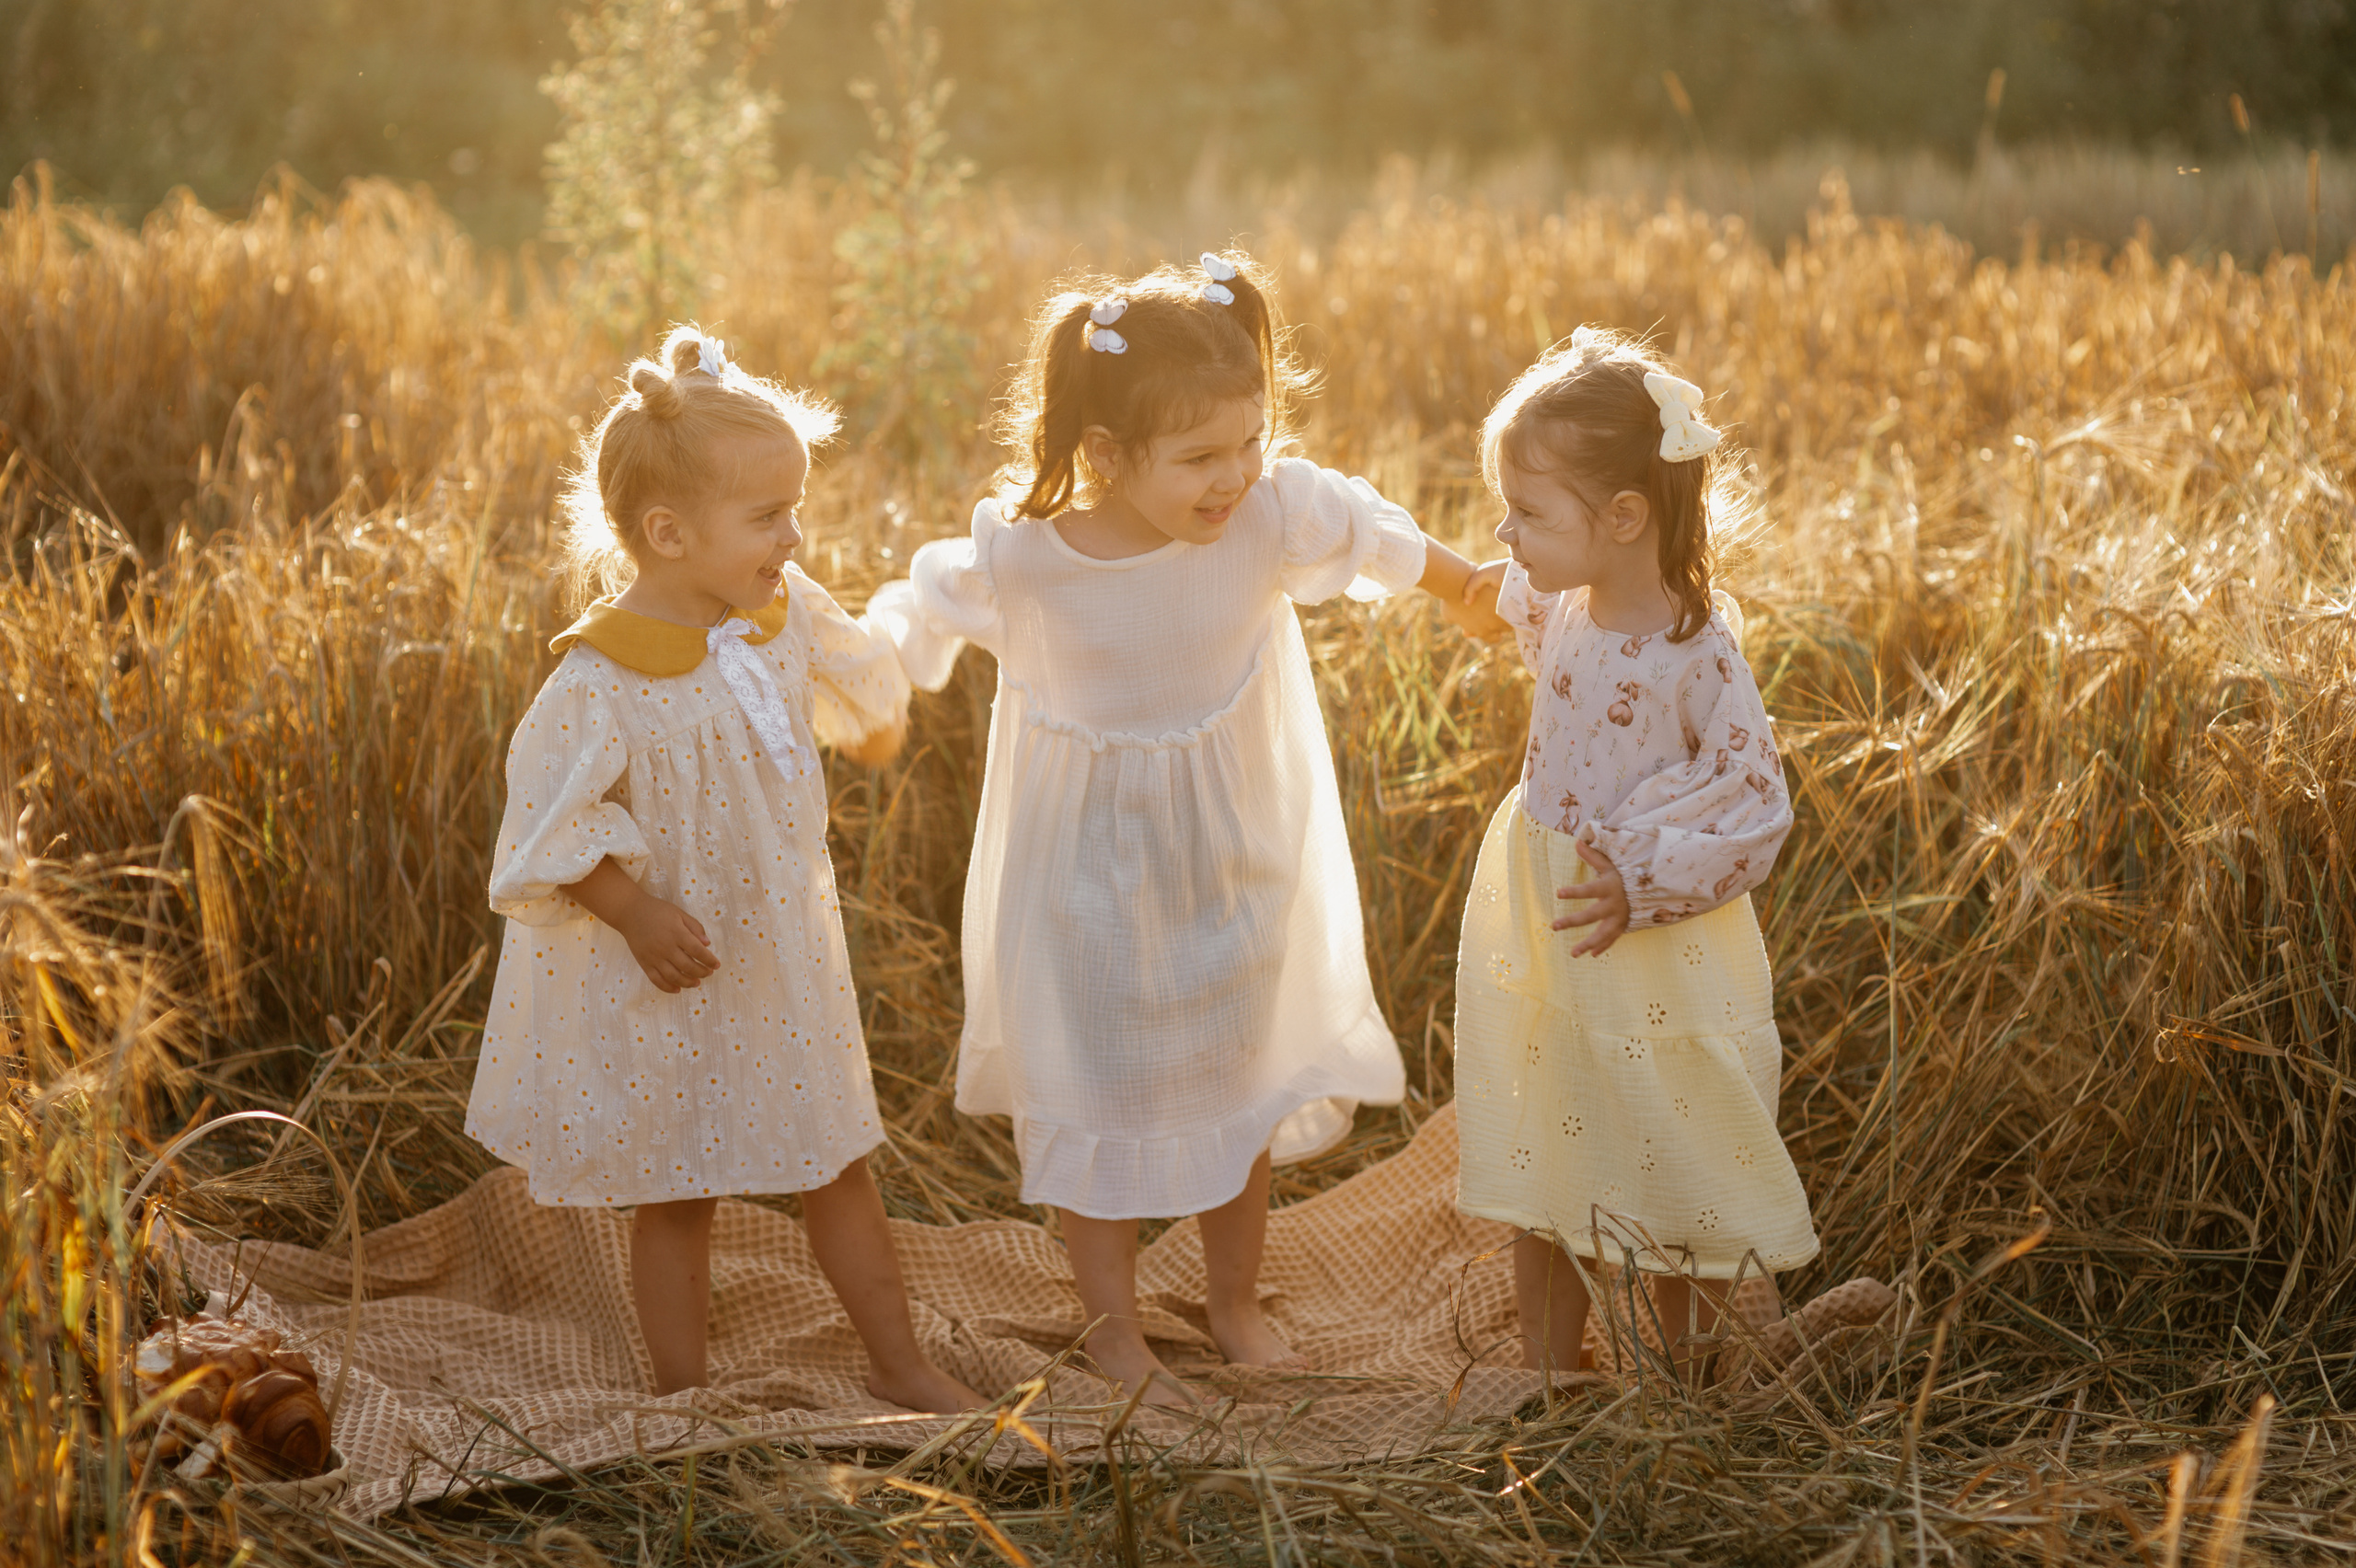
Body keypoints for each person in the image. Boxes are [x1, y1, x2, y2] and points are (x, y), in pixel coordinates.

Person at [871, 252, 1507, 1407]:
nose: (1235, 477)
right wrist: (851, 687)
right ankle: (1112, 1329)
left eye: (1250, 443)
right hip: (1081, 878)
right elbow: (910, 617)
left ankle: (1230, 1303)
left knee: (1235, 1083)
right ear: (1108, 456)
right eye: (1201, 458)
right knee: (1098, 1089)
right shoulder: (1027, 559)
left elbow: (1371, 535)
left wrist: (1466, 589)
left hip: (1233, 863)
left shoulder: (1269, 517)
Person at [465, 326, 979, 1411]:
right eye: (766, 518)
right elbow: (548, 829)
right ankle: (687, 1393)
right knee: (680, 1190)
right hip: (676, 971)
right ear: (667, 531)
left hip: (782, 958)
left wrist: (874, 725)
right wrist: (632, 909)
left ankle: (901, 1364)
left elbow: (861, 694)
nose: (793, 536)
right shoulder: (600, 680)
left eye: (795, 509)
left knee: (838, 1160)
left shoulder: (778, 618)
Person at [1454, 327, 1819, 1383]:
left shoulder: (1697, 655)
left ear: (1622, 518)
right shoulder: (1565, 598)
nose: (1505, 530)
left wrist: (1644, 873)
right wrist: (1498, 568)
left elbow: (1753, 802)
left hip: (1653, 944)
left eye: (1528, 513)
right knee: (1547, 1136)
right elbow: (1524, 608)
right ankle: (1548, 1366)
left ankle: (1696, 1371)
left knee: (1670, 1150)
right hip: (1554, 912)